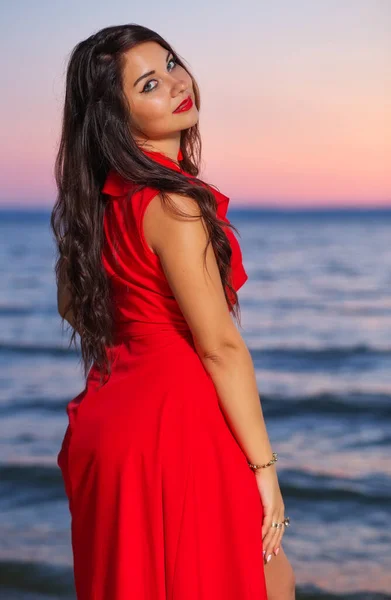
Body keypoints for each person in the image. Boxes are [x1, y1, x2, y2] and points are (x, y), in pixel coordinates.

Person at [51, 23, 296, 600]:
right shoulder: (172, 204)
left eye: (172, 64)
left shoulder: (95, 212)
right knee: (263, 579)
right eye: (151, 83)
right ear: (117, 115)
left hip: (109, 428)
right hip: (177, 427)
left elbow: (80, 311)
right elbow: (221, 346)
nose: (178, 84)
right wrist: (266, 470)